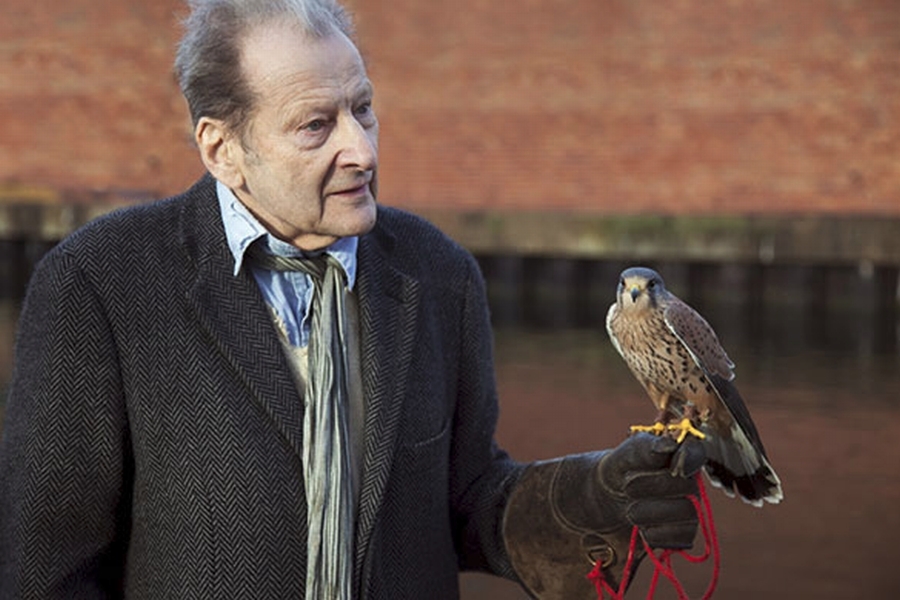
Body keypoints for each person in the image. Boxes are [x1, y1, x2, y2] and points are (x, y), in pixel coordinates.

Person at [0, 1, 704, 598]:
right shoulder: (99, 284)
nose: (361, 150)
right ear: (222, 149)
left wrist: (591, 502)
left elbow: (464, 501)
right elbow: (46, 570)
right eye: (316, 125)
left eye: (362, 110)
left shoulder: (440, 275)